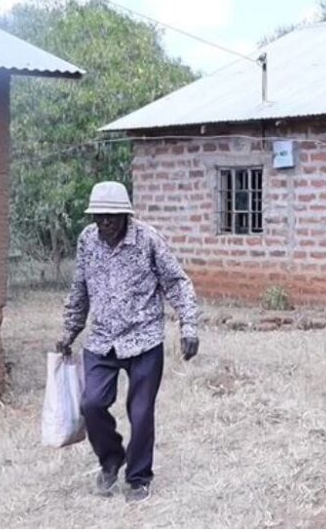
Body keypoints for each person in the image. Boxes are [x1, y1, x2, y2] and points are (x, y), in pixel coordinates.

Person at [56, 181, 200, 504]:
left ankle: (138, 477)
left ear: (126, 215)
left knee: (141, 411)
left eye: (112, 216)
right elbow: (79, 290)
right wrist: (69, 331)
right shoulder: (87, 242)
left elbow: (177, 282)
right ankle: (111, 459)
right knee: (91, 404)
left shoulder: (147, 239)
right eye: (99, 217)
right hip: (102, 340)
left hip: (144, 339)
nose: (105, 223)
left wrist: (189, 326)